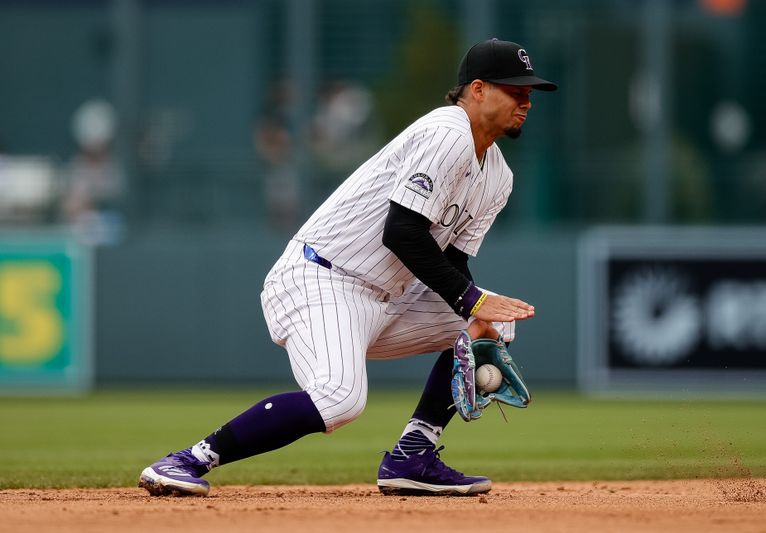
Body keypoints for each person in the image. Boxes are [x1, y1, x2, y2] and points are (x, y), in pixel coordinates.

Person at [139, 38, 557, 497]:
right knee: (340, 400)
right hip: (321, 278)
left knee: (490, 321)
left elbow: (452, 262)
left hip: (388, 297)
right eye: (515, 90)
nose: (526, 100)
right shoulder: (448, 133)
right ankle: (188, 460)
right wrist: (473, 300)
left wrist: (478, 315)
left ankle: (412, 456)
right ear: (477, 90)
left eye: (530, 92)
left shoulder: (498, 174)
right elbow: (401, 233)